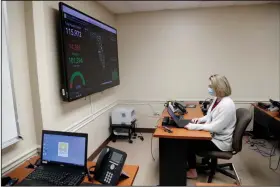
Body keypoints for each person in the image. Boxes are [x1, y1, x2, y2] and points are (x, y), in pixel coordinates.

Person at [184, 74, 236, 179]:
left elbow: (215, 127)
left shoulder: (227, 104)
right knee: (189, 136)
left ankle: (192, 171)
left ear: (219, 87)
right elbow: (209, 115)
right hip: (215, 135)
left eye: (211, 86)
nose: (209, 88)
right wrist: (199, 120)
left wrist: (194, 126)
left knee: (188, 141)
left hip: (220, 141)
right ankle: (190, 165)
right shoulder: (217, 99)